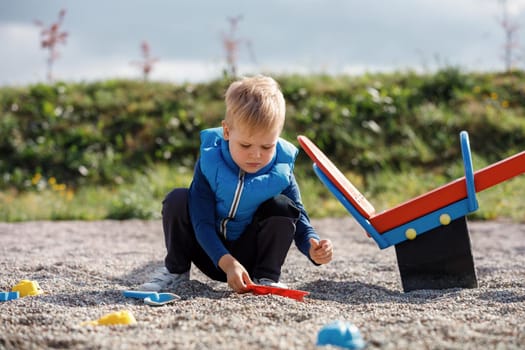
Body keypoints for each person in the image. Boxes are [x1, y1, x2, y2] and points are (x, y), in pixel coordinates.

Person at [140, 75, 333, 293]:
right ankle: (175, 272)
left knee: (283, 205)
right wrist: (227, 262)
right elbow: (201, 222)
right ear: (227, 131)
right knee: (178, 199)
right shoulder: (209, 162)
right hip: (210, 253)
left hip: (252, 258)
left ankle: (267, 278)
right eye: (245, 144)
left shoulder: (280, 169)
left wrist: (312, 246)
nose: (256, 155)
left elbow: (300, 218)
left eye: (267, 146)